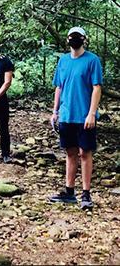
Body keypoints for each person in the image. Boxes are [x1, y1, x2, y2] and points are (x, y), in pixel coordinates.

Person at [48, 27, 102, 210]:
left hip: (84, 115)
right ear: (67, 39)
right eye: (72, 36)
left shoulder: (92, 60)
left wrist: (92, 113)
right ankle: (69, 191)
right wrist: (55, 111)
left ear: (84, 39)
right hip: (66, 114)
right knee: (70, 153)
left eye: (78, 37)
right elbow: (59, 87)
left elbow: (96, 88)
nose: (74, 39)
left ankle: (86, 194)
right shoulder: (63, 61)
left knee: (85, 153)